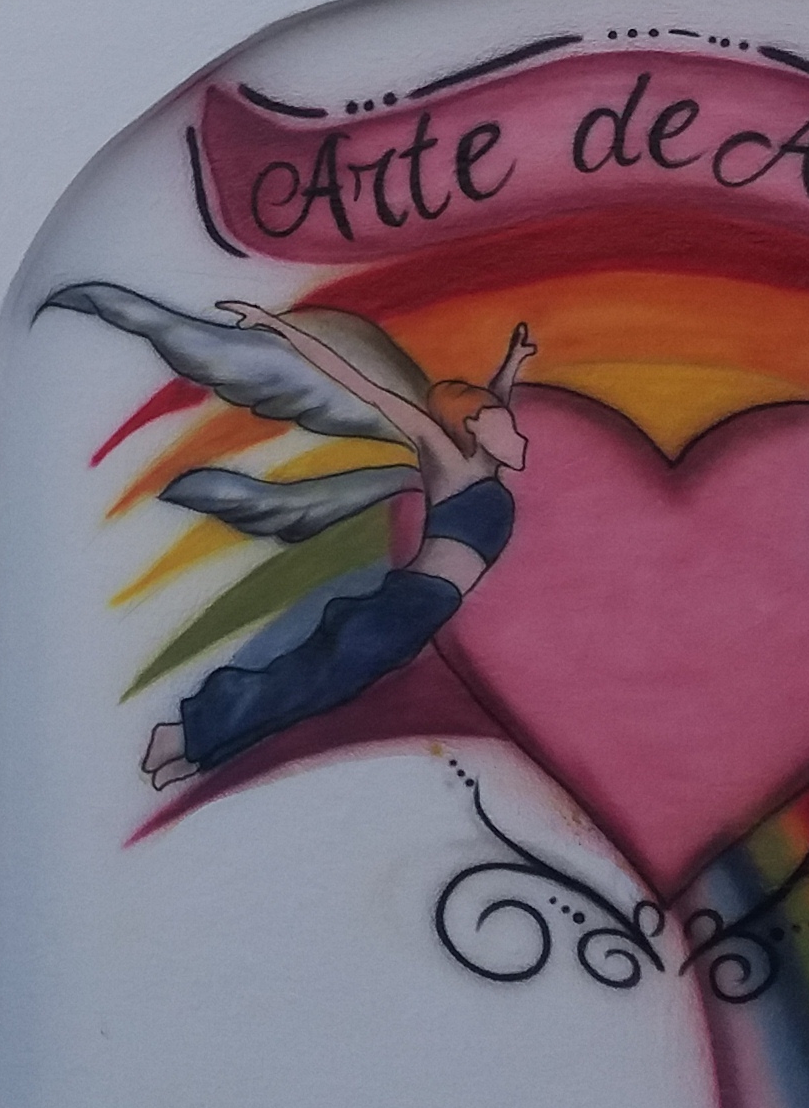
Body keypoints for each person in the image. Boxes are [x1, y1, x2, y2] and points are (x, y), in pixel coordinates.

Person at [144, 310, 534, 789]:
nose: (520, 435)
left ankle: (199, 750)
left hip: (418, 613)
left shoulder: (482, 463)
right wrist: (279, 327)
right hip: (405, 605)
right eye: (508, 427)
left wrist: (513, 363)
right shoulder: (449, 461)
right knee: (312, 679)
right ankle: (183, 733)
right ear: (472, 427)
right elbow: (368, 389)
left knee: (321, 689)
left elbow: (493, 402)